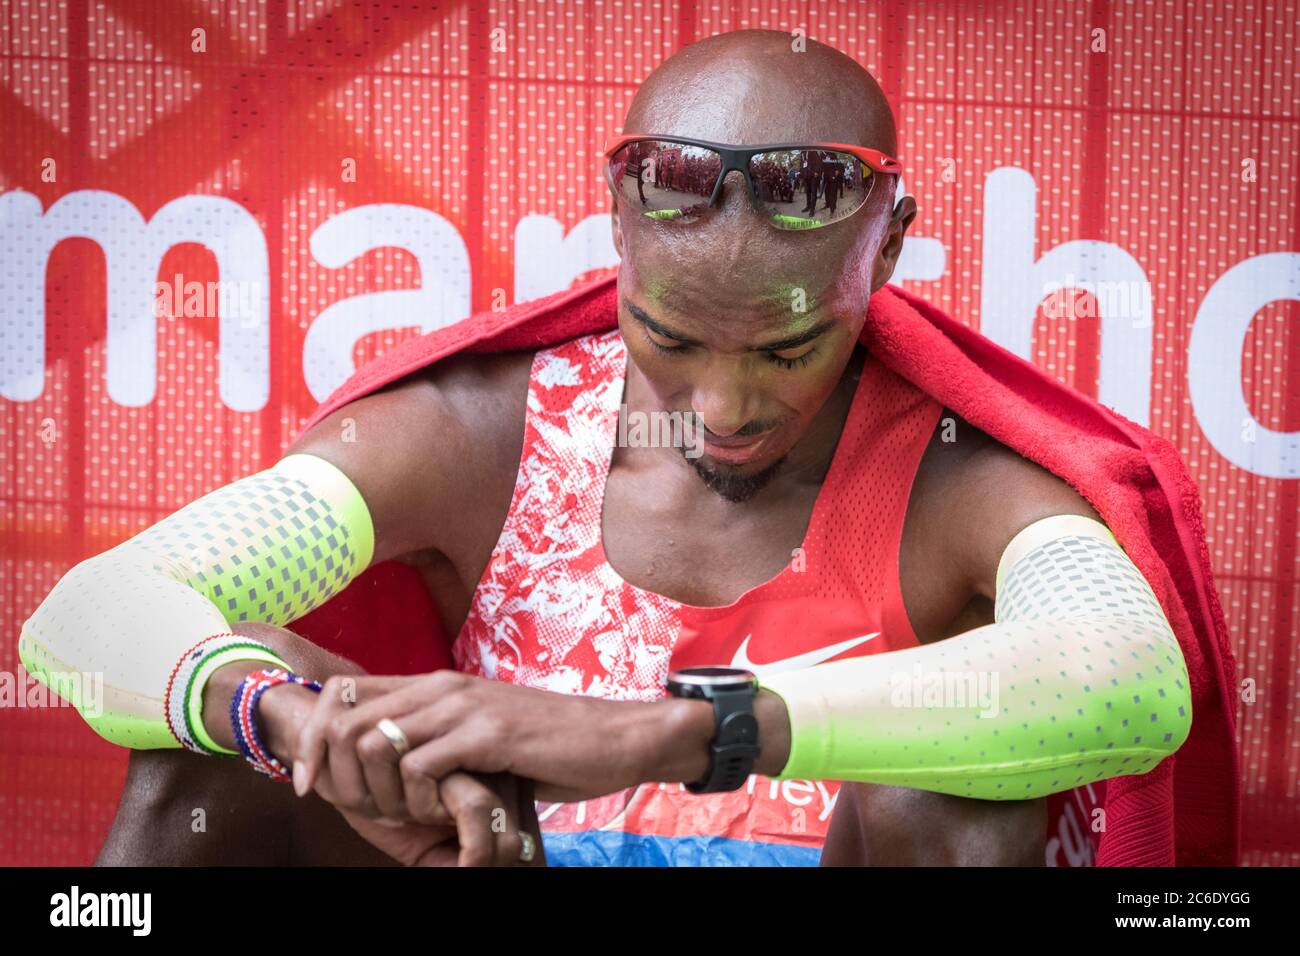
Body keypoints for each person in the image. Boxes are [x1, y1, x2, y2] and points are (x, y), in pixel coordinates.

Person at [21, 29, 1232, 868]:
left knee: (958, 794)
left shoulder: (963, 473)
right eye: (670, 338)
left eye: (786, 350)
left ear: (890, 246)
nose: (721, 405)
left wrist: (675, 728)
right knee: (214, 744)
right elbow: (87, 609)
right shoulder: (484, 429)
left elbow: (1129, 682)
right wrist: (290, 721)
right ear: (616, 238)